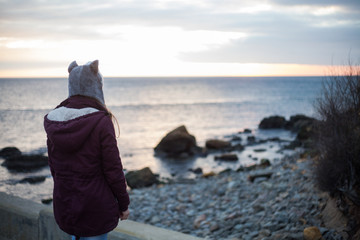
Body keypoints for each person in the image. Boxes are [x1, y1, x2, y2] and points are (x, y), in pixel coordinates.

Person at [44, 60, 130, 240]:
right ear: (97, 85)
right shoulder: (101, 121)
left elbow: (54, 168)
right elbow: (113, 169)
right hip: (96, 208)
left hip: (66, 206)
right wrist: (123, 204)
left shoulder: (54, 120)